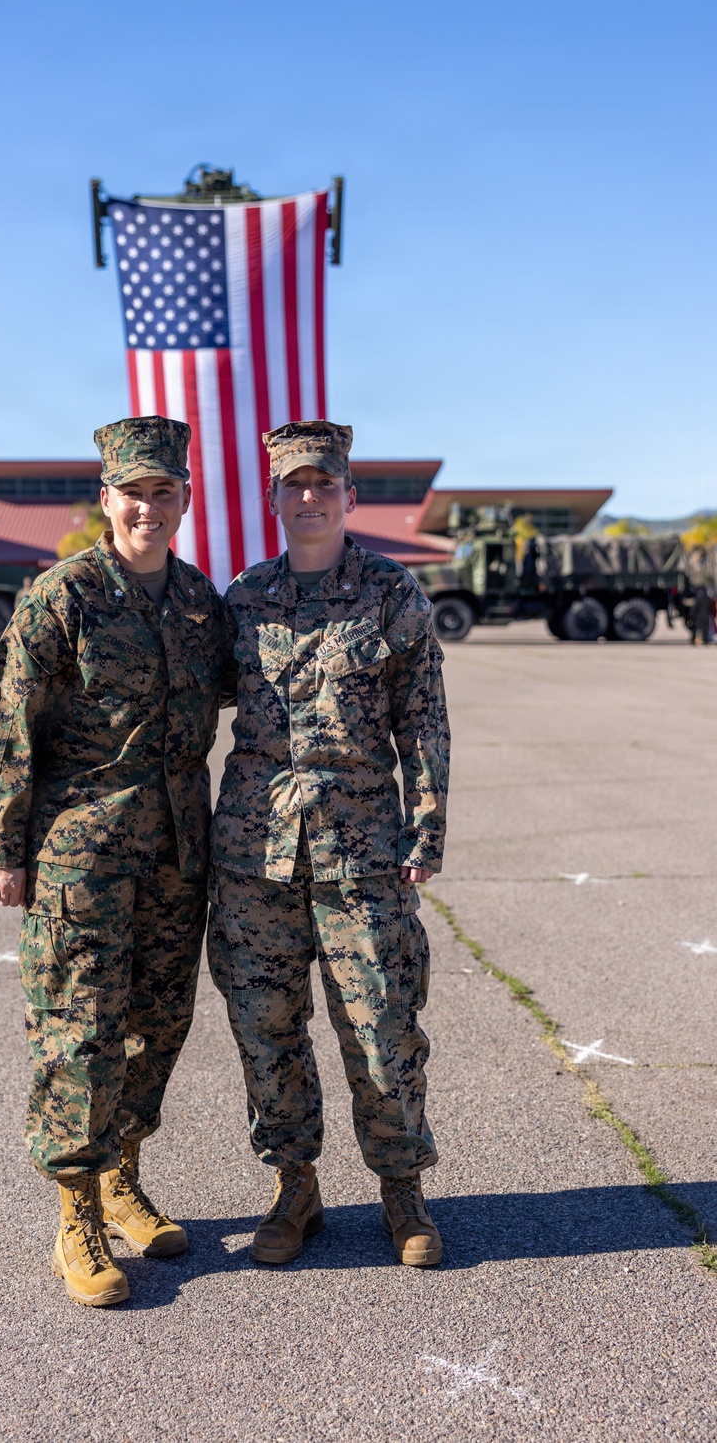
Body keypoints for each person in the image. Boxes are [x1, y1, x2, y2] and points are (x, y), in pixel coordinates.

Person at [0, 416, 230, 1307]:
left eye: (165, 492)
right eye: (133, 493)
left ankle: (124, 1177)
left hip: (176, 856)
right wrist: (3, 848)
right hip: (81, 853)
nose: (148, 507)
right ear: (104, 499)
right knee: (79, 1031)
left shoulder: (199, 603)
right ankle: (75, 1211)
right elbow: (7, 721)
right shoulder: (62, 594)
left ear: (184, 500)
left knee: (159, 1024)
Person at [208, 420, 450, 1268]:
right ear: (273, 498)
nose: (308, 498)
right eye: (293, 484)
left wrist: (426, 828)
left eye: (323, 483)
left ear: (350, 495)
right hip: (253, 854)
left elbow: (423, 722)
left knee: (383, 1023)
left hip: (363, 852)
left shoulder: (392, 593)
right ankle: (294, 1187)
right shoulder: (241, 600)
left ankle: (402, 1191)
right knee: (266, 1027)